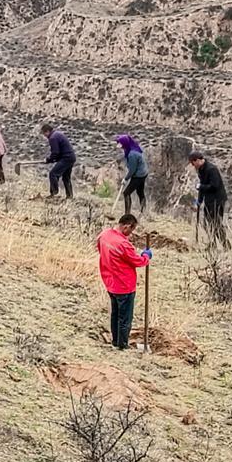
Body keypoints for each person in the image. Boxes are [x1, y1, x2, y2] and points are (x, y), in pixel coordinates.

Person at [96, 213, 152, 350]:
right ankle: (122, 345)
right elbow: (138, 261)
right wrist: (146, 256)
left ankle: (116, 341)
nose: (130, 234)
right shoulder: (123, 244)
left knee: (115, 314)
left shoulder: (104, 235)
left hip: (110, 281)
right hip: (124, 285)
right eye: (131, 231)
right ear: (126, 226)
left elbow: (100, 250)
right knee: (125, 318)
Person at [189, 152, 231, 249]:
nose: (192, 165)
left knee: (216, 223)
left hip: (217, 200)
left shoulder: (211, 169)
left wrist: (201, 186)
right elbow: (202, 188)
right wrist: (199, 202)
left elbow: (214, 185)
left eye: (192, 163)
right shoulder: (201, 170)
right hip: (209, 200)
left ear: (198, 160)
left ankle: (225, 245)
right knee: (207, 223)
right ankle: (213, 244)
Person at [116, 134, 148, 216]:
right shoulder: (131, 149)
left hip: (139, 175)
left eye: (120, 143)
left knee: (126, 193)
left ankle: (127, 214)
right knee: (140, 192)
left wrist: (125, 179)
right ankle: (143, 212)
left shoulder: (132, 154)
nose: (118, 145)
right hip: (143, 173)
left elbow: (132, 170)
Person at [41, 123, 75, 198]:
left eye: (44, 134)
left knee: (53, 174)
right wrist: (52, 159)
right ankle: (69, 196)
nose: (45, 136)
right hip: (71, 157)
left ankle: (54, 193)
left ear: (47, 131)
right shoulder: (57, 134)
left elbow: (55, 152)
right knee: (66, 177)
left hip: (66, 158)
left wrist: (49, 160)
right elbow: (59, 152)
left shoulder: (52, 138)